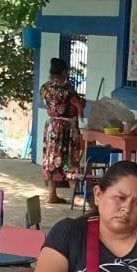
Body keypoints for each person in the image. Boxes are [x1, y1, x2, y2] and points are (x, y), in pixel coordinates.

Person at [39, 57, 84, 206]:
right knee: (70, 159)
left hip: (52, 127)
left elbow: (47, 104)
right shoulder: (67, 89)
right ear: (64, 72)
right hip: (66, 128)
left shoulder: (45, 87)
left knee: (51, 159)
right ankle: (75, 196)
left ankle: (52, 194)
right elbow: (78, 106)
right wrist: (80, 110)